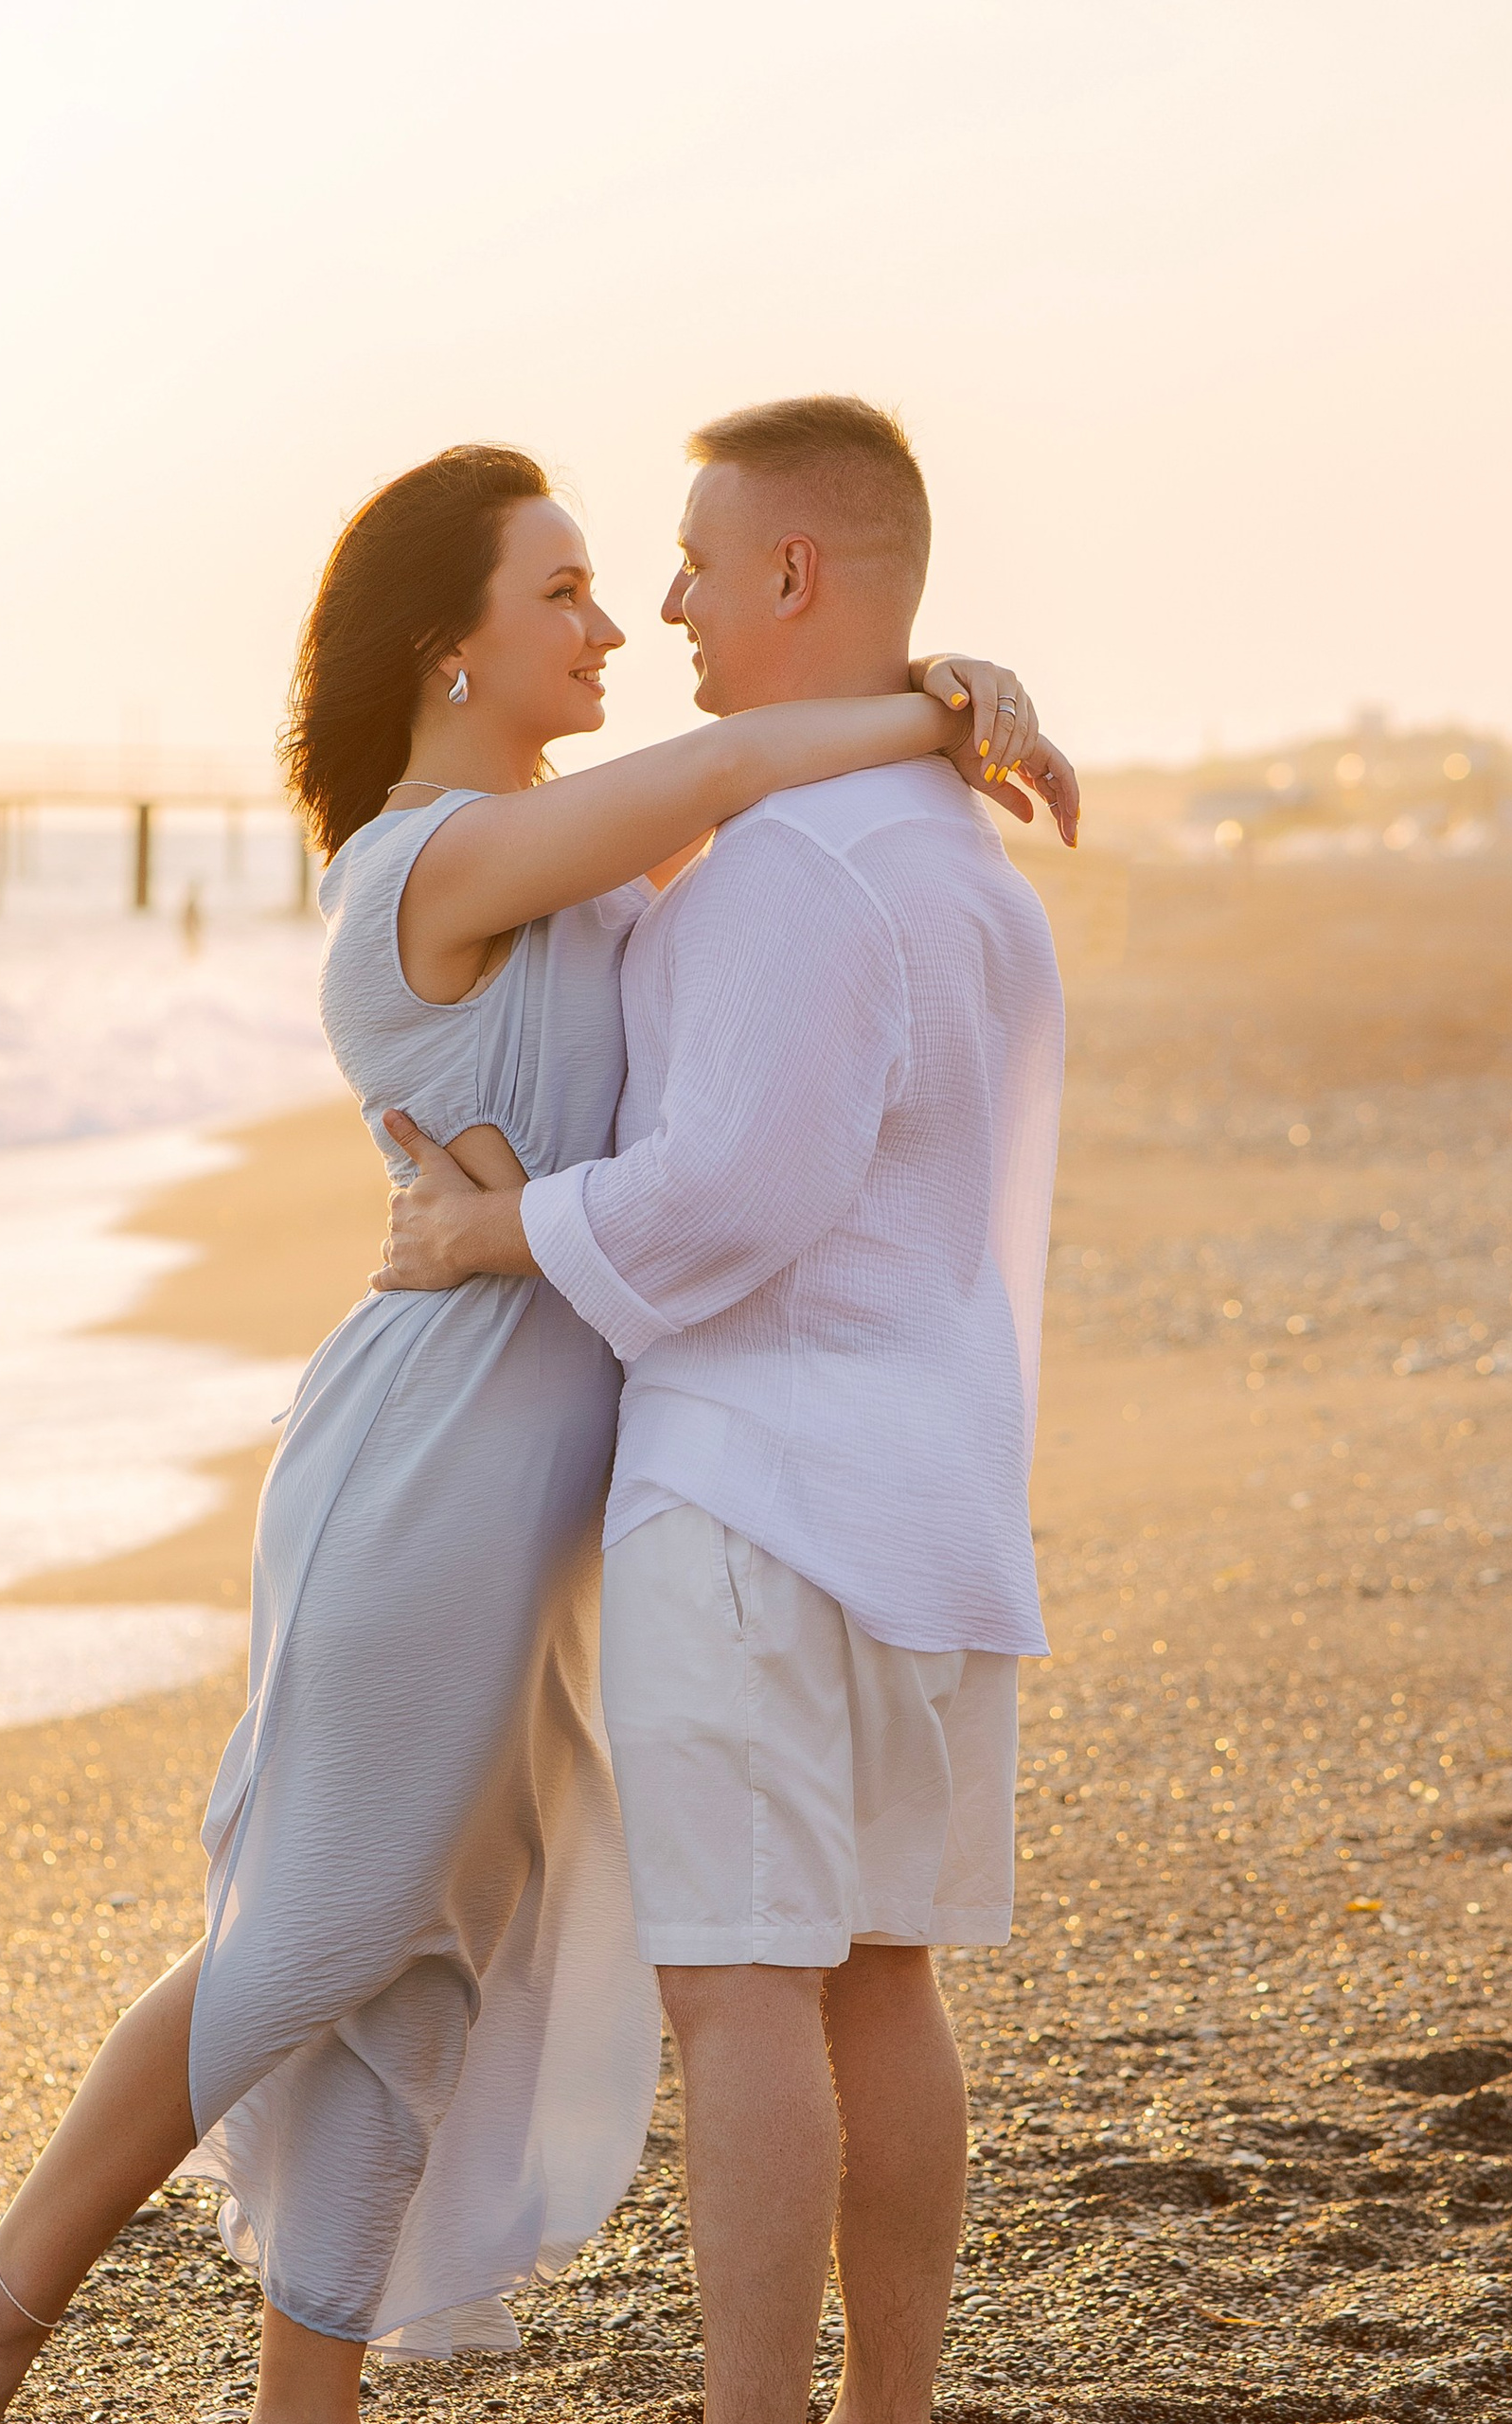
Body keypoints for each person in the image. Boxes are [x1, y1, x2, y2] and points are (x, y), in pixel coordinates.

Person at [0, 437, 1072, 2424]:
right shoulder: (428, 867)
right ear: (446, 648)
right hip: (427, 1461)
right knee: (326, 1923)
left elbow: (763, 885)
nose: (614, 623)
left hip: (549, 1484)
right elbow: (739, 766)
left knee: (432, 1955)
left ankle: (302, 2402)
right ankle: (0, 2291)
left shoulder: (598, 875)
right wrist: (936, 705)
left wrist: (940, 689)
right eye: (563, 592)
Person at [377, 397, 1070, 2424]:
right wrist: (943, 701)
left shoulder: (799, 868)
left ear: (792, 572)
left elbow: (729, 1195)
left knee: (742, 1989)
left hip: (763, 1505)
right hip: (933, 1501)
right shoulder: (956, 857)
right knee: (879, 1978)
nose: (667, 605)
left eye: (693, 563)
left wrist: (492, 1232)